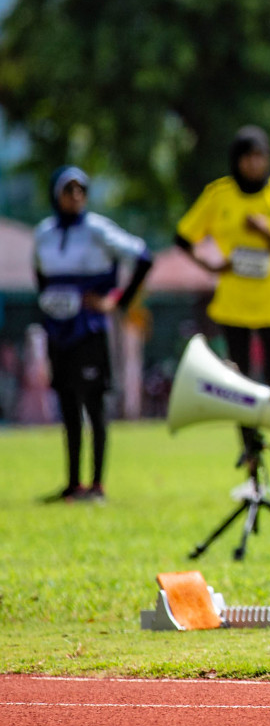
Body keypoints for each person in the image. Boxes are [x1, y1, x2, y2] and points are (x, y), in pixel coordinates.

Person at [175, 127, 270, 498]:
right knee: (240, 390)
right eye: (247, 157)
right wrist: (210, 267)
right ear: (236, 161)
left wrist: (268, 233)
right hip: (233, 306)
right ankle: (254, 478)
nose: (254, 164)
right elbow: (183, 237)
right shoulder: (219, 195)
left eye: (260, 157)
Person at [34, 167, 153, 502]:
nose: (75, 197)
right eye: (68, 190)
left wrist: (118, 302)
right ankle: (72, 484)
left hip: (89, 330)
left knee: (94, 406)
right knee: (68, 406)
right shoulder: (44, 232)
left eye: (80, 190)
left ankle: (97, 485)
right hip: (58, 332)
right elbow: (41, 277)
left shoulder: (98, 229)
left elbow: (143, 256)